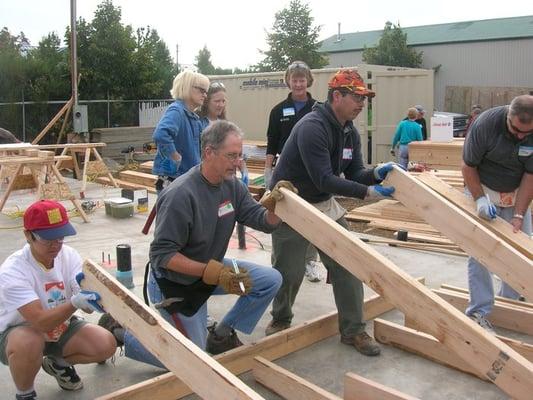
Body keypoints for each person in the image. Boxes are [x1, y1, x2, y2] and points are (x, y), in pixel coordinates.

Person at [100, 121, 289, 367]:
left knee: (270, 280)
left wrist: (276, 207)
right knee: (192, 362)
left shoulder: (232, 186)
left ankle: (221, 336)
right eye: (231, 156)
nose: (238, 162)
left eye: (240, 156)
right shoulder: (181, 195)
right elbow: (163, 256)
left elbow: (262, 220)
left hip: (210, 271)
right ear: (209, 152)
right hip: (176, 284)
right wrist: (213, 272)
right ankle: (120, 332)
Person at [266, 69, 396, 356]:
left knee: (349, 263)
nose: (362, 104)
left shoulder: (349, 130)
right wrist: (367, 193)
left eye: (364, 98)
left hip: (323, 202)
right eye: (357, 97)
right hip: (292, 201)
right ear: (337, 96)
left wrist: (376, 174)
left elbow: (355, 172)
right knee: (289, 270)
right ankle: (280, 320)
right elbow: (323, 177)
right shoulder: (313, 127)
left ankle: (353, 330)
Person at [0, 200, 115, 400]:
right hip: (20, 332)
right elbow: (40, 321)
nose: (56, 245)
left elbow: (80, 289)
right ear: (28, 235)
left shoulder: (68, 255)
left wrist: (92, 298)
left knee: (105, 344)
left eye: (60, 238)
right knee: (28, 341)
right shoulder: (13, 271)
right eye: (48, 239)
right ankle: (25, 393)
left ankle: (56, 362)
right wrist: (74, 303)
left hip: (60, 326)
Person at [462, 94, 533, 333]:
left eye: (526, 132)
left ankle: (510, 303)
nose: (521, 136)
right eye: (516, 130)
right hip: (484, 186)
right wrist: (480, 199)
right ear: (508, 116)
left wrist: (520, 214)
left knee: (519, 247)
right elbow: (468, 165)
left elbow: (530, 176)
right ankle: (478, 311)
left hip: (515, 191)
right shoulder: (486, 124)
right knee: (480, 251)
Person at [265, 61, 322, 283]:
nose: (298, 83)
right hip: (285, 172)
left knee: (312, 216)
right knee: (281, 215)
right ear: (288, 81)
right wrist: (269, 169)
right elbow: (272, 142)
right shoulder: (278, 111)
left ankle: (310, 261)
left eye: (302, 79)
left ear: (308, 81)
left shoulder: (318, 108)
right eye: (294, 79)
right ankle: (278, 263)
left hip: (312, 172)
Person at [152, 70, 210, 193]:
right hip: (173, 179)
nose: (205, 95)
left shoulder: (193, 117)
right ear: (187, 87)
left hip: (185, 177)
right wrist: (175, 156)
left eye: (206, 92)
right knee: (174, 212)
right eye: (201, 90)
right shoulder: (177, 111)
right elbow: (161, 134)